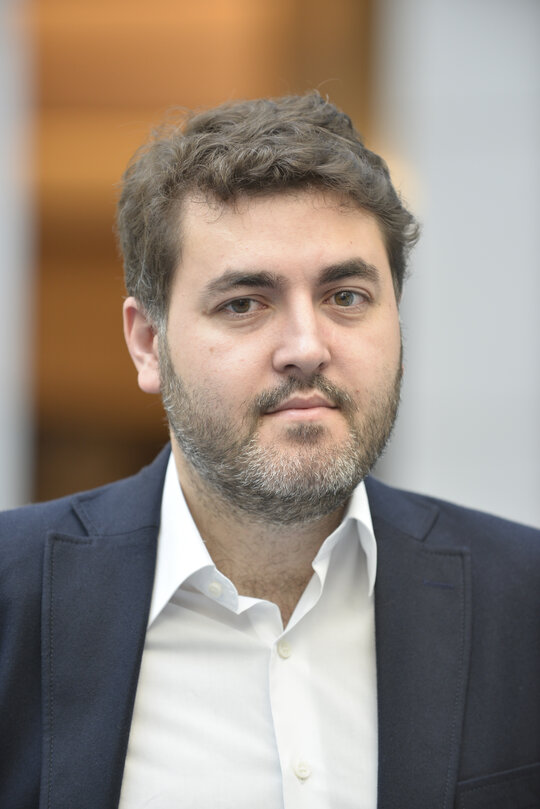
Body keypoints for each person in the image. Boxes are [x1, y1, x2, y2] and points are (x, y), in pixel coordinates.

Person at [1, 92, 539, 809]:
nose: (307, 348)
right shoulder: (12, 598)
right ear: (148, 342)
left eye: (346, 296)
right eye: (244, 303)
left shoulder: (523, 603)